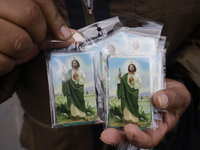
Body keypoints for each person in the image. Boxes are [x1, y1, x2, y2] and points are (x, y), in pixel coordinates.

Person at [0, 0, 199, 149]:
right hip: (53, 138)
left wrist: (186, 76)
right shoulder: (71, 68)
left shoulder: (133, 70)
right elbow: (77, 81)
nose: (131, 69)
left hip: (168, 127)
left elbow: (134, 83)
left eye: (131, 68)